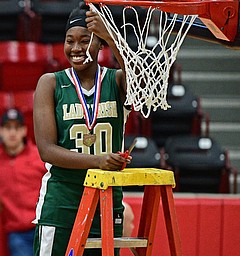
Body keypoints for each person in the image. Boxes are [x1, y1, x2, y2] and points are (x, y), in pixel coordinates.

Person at [32, 2, 132, 256]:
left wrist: (110, 34)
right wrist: (98, 160)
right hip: (62, 202)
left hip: (107, 201)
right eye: (69, 40)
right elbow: (47, 150)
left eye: (85, 40)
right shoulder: (51, 83)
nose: (75, 48)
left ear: (100, 45)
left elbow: (138, 78)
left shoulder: (116, 80)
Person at [0, 108, 46, 256]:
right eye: (7, 128)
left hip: (42, 228)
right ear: (1, 131)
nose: (12, 133)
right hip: (16, 234)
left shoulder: (40, 157)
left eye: (17, 127)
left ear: (24, 130)